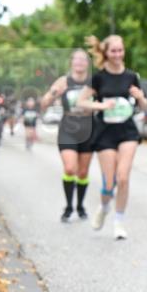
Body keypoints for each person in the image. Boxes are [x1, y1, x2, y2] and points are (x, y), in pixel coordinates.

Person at [78, 36, 147, 239]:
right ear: (106, 53)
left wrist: (140, 97)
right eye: (113, 51)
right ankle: (104, 206)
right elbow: (82, 102)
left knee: (123, 178)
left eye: (120, 50)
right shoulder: (98, 78)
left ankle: (119, 221)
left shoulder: (131, 76)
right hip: (105, 133)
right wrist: (100, 105)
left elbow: (144, 107)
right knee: (109, 183)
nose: (117, 55)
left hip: (127, 132)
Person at [43, 50, 97, 222]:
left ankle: (80, 205)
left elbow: (104, 102)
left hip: (88, 128)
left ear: (87, 64)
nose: (80, 62)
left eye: (83, 59)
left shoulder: (94, 82)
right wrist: (54, 93)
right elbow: (44, 103)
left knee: (82, 172)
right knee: (70, 168)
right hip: (68, 129)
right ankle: (68, 206)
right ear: (71, 63)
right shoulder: (63, 81)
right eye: (77, 59)